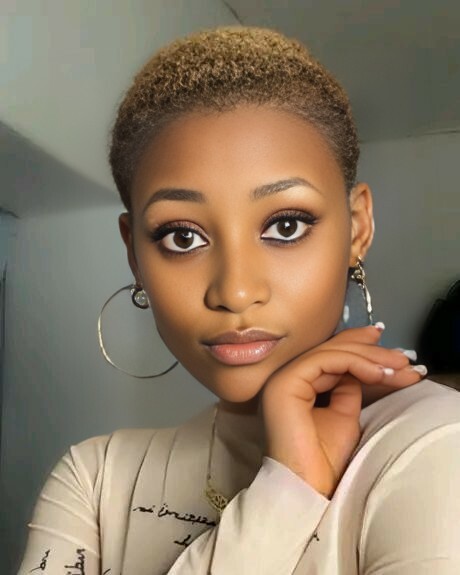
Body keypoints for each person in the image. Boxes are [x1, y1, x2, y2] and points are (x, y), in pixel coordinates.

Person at [17, 25, 460, 575]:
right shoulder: (96, 477)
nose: (235, 291)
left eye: (286, 225)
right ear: (134, 253)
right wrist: (285, 495)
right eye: (183, 236)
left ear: (357, 228)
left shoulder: (435, 443)